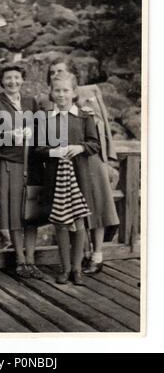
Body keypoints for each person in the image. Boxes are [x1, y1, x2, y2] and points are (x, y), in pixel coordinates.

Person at [38, 55, 120, 274]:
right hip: (65, 164)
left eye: (60, 70)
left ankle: (97, 254)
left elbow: (101, 127)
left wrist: (109, 157)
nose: (57, 75)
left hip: (90, 160)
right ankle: (78, 258)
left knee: (97, 206)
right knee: (74, 210)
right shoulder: (47, 101)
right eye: (53, 72)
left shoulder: (89, 95)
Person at [35, 73, 100, 285]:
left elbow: (94, 144)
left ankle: (77, 268)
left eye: (66, 90)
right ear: (51, 93)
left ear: (74, 93)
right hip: (55, 178)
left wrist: (79, 147)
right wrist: (56, 152)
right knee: (60, 222)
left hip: (79, 176)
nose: (61, 94)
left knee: (79, 221)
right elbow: (39, 149)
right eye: (57, 90)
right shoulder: (45, 118)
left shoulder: (84, 117)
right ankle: (64, 268)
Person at [0, 62, 43, 279]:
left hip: (32, 164)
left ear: (23, 80)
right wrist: (10, 136)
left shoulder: (31, 102)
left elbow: (42, 131)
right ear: (1, 80)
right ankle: (19, 260)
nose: (13, 82)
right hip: (9, 163)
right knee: (16, 213)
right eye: (8, 78)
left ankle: (31, 260)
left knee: (31, 213)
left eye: (17, 78)